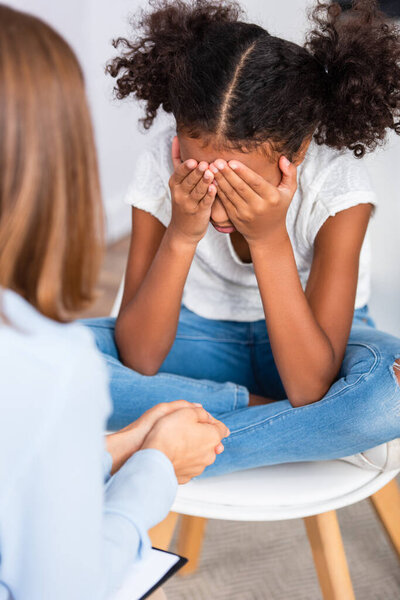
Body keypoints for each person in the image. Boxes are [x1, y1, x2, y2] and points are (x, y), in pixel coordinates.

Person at [83, 0, 400, 477]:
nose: (217, 200)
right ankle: (280, 422)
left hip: (312, 346)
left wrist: (270, 240)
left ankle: (158, 448)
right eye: (199, 173)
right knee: (24, 360)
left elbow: (311, 385)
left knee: (389, 397)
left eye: (240, 183)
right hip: (196, 341)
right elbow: (142, 358)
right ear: (176, 146)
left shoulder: (339, 185)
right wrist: (182, 235)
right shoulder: (158, 165)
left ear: (298, 151)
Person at [0, 5, 229, 600]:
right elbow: (63, 589)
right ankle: (249, 409)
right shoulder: (49, 363)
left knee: (379, 383)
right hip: (129, 377)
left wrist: (111, 449)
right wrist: (152, 468)